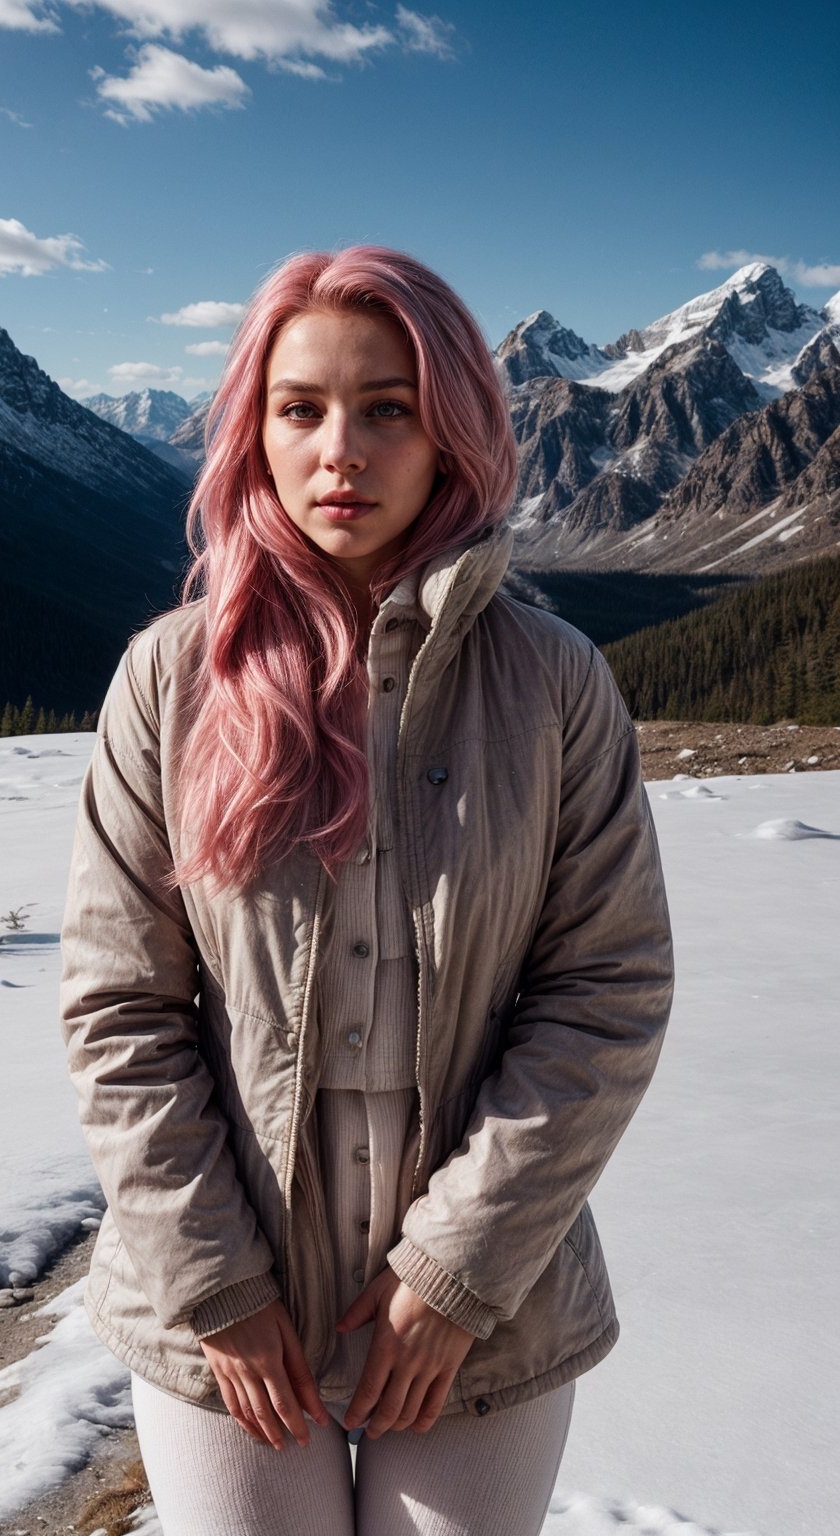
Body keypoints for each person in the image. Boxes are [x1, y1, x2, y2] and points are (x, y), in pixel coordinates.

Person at [59, 245, 674, 1536]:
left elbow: (605, 989)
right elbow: (119, 1009)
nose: (341, 448)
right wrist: (218, 1283)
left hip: (484, 1311)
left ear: (450, 428)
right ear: (255, 429)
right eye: (302, 408)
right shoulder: (169, 682)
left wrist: (459, 1270)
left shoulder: (554, 683)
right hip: (227, 1304)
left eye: (387, 406)